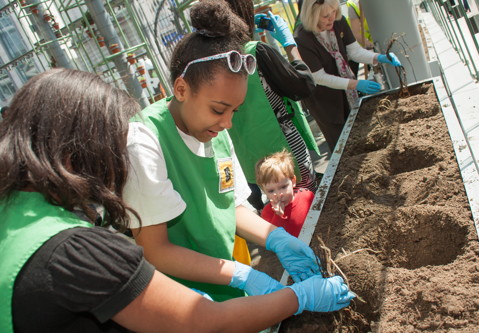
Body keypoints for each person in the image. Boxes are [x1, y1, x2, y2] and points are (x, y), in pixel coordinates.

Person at [0, 68, 355, 333]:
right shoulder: (75, 250)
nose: (115, 168)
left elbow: (228, 202)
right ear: (79, 153)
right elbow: (203, 321)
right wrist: (300, 297)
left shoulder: (15, 216)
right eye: (109, 151)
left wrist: (276, 239)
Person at [123, 0, 335, 303]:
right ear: (181, 89)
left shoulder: (215, 130)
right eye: (218, 109)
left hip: (225, 276)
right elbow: (157, 250)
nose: (227, 123)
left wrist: (277, 239)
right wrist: (241, 274)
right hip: (184, 297)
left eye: (234, 110)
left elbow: (232, 205)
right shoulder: (143, 141)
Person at [221, 0, 320, 213]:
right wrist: (290, 45)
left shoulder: (214, 61)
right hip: (286, 149)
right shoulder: (257, 53)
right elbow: (303, 85)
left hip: (252, 160)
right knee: (306, 208)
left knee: (280, 211)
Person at [294, 0, 402, 151]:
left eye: (334, 11)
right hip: (325, 101)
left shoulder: (338, 21)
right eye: (326, 16)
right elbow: (319, 77)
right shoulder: (302, 38)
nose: (332, 17)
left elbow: (354, 51)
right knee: (343, 146)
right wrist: (355, 84)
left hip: (347, 92)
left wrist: (379, 58)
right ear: (312, 15)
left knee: (360, 135)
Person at [255, 150, 315, 238]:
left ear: (293, 181)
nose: (279, 194)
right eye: (271, 191)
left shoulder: (306, 196)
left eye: (283, 187)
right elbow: (274, 239)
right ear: (264, 190)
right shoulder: (267, 213)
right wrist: (278, 216)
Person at [346, 0, 374, 77]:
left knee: (373, 71)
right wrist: (371, 45)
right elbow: (356, 34)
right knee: (351, 74)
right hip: (352, 43)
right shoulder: (354, 6)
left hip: (369, 43)